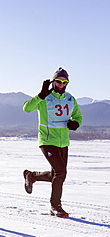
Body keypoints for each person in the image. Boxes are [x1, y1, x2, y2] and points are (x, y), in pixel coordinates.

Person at [22, 67, 82, 218]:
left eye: (64, 81)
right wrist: (40, 95)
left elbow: (78, 116)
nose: (61, 84)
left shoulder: (70, 98)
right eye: (58, 81)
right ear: (53, 81)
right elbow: (26, 108)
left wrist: (75, 123)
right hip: (47, 141)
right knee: (61, 172)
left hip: (63, 142)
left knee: (58, 174)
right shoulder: (45, 98)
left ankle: (32, 176)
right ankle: (55, 206)